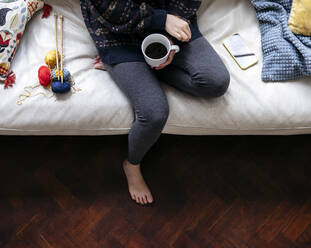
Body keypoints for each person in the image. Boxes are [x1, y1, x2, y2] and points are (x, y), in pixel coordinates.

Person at [80, 0, 230, 206]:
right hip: (118, 33)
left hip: (169, 19)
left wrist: (167, 37)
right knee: (154, 113)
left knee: (216, 82)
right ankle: (132, 164)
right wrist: (161, 20)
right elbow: (108, 7)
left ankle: (142, 67)